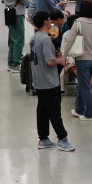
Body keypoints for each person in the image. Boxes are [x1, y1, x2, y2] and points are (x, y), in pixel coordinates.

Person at [30, 11, 75, 151]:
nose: (51, 22)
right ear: (45, 22)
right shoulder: (45, 39)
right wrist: (61, 60)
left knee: (42, 109)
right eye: (49, 20)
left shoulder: (34, 38)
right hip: (49, 81)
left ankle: (43, 138)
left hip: (39, 79)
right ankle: (62, 138)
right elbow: (50, 61)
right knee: (54, 110)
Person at [63, 1, 92, 122]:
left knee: (85, 86)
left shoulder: (78, 22)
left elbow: (70, 40)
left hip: (82, 59)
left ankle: (90, 114)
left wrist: (65, 55)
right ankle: (79, 109)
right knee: (82, 84)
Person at [2, 0, 28, 73]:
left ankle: (11, 62)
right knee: (19, 40)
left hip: (11, 13)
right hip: (17, 14)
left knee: (13, 40)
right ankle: (16, 63)